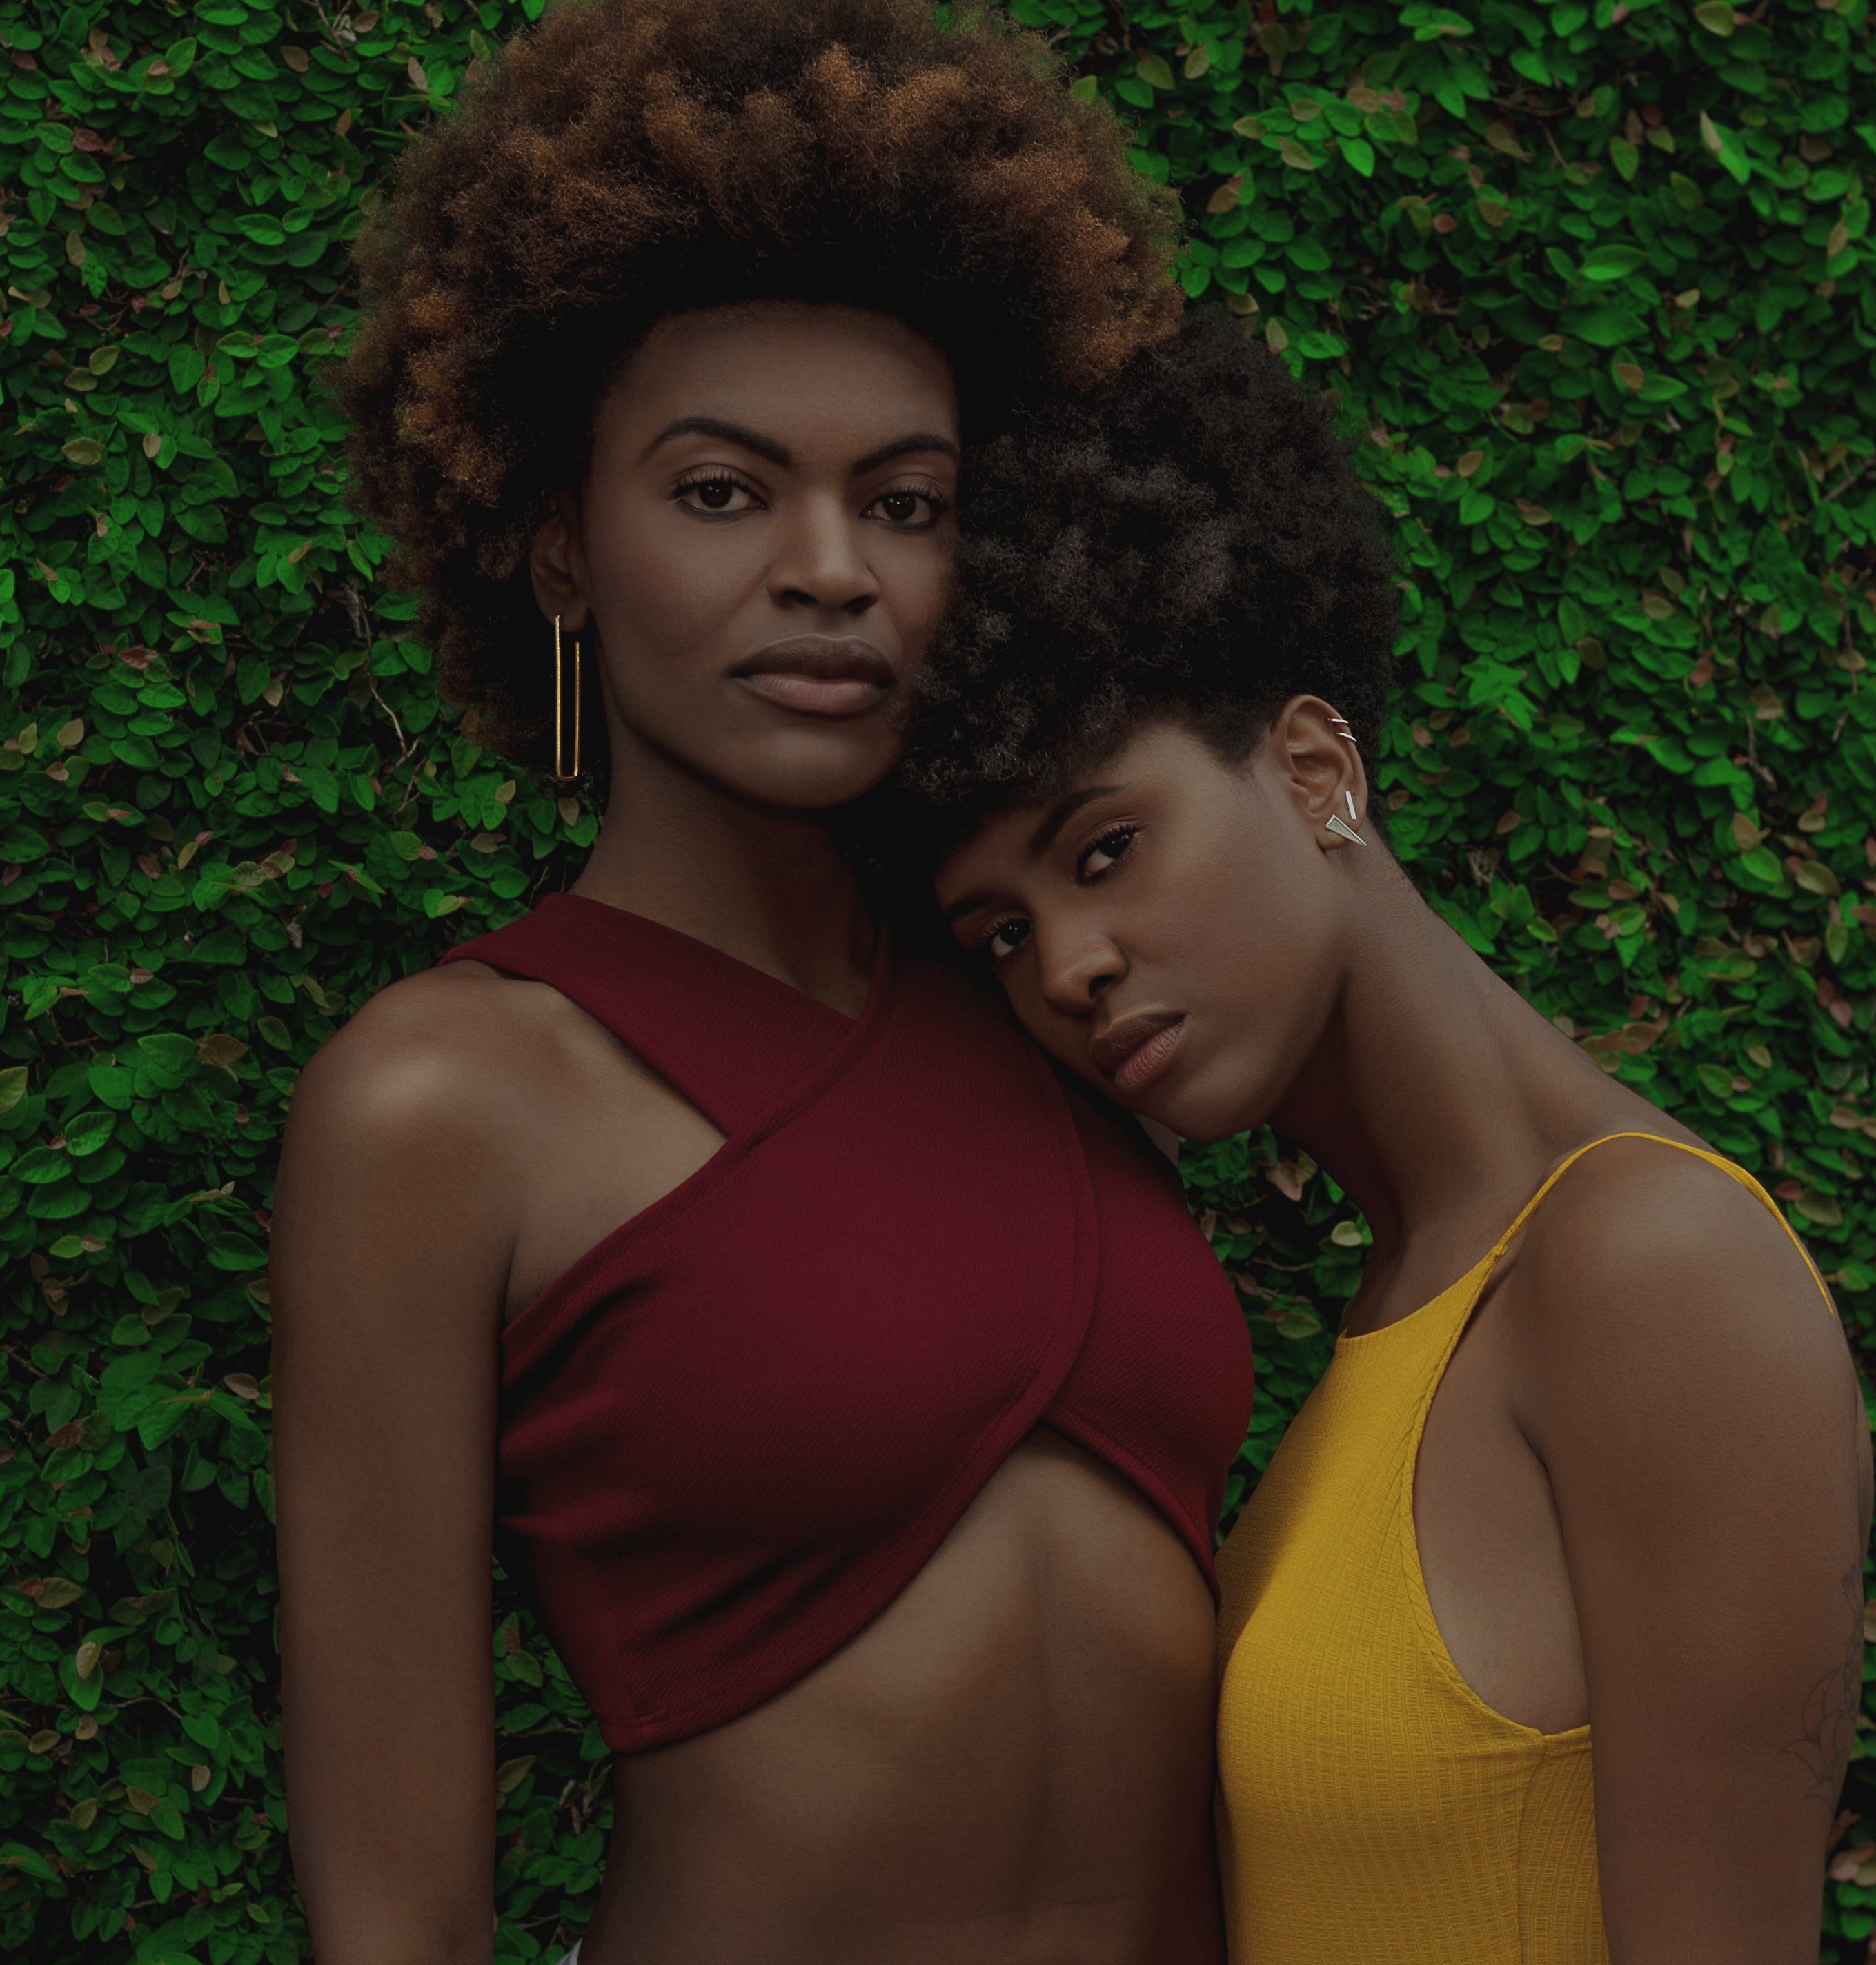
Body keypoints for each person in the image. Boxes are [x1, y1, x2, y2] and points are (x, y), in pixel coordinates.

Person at [275, 6, 1252, 1962]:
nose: (835, 571)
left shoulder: (1062, 998)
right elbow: (395, 1916)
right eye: (724, 492)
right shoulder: (438, 1103)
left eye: (909, 504)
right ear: (560, 551)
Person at [901, 314, 1876, 1964]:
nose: (1066, 966)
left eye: (1106, 846)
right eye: (997, 933)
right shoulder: (1398, 1316)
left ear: (1308, 767)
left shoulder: (1649, 1270)